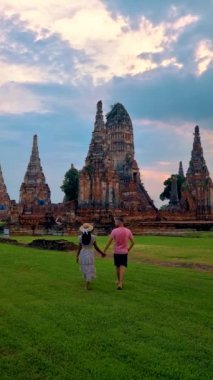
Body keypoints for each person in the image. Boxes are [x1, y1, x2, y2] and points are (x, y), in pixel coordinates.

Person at [104, 217, 134, 290]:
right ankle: (120, 282)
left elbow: (109, 242)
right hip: (124, 252)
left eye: (115, 221)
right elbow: (133, 243)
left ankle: (119, 281)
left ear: (120, 222)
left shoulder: (114, 231)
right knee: (122, 266)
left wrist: (104, 250)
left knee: (117, 266)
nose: (115, 223)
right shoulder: (128, 231)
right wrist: (128, 250)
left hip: (117, 252)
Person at [76, 223, 105, 290]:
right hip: (90, 253)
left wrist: (77, 256)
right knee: (89, 268)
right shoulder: (93, 237)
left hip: (83, 253)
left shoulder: (80, 237)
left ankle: (87, 283)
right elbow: (96, 247)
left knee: (85, 268)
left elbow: (79, 248)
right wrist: (102, 253)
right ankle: (87, 284)